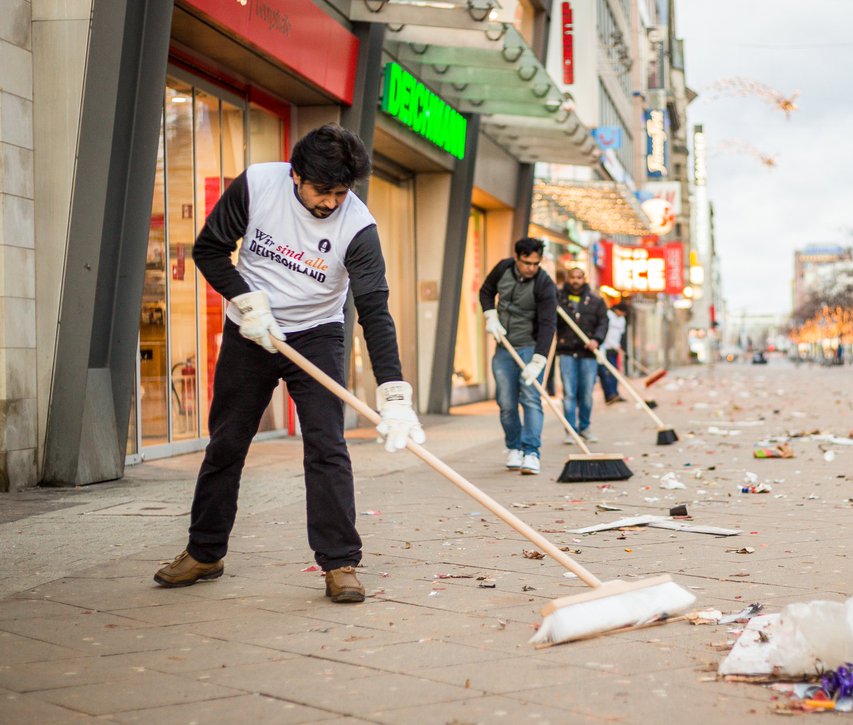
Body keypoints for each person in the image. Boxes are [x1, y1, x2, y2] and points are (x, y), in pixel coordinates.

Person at [154, 124, 423, 604]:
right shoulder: (258, 185)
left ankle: (340, 562)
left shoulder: (358, 227)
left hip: (317, 335)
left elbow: (375, 311)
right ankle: (204, 551)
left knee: (327, 446)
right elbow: (209, 249)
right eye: (324, 191)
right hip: (251, 329)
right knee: (227, 443)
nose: (332, 203)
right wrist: (246, 301)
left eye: (342, 192)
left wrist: (394, 395)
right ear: (296, 175)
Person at [479, 238, 557, 474]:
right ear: (517, 258)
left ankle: (532, 452)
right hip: (504, 347)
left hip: (530, 347)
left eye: (536, 263)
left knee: (531, 399)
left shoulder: (544, 284)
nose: (531, 268)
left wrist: (539, 359)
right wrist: (490, 314)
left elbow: (548, 324)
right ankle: (514, 448)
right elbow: (486, 291)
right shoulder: (503, 268)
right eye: (526, 263)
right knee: (506, 403)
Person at [555, 267, 608, 443]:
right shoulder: (558, 300)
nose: (576, 281)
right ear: (568, 279)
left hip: (588, 353)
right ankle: (570, 430)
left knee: (586, 393)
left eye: (579, 277)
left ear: (584, 279)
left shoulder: (595, 301)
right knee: (569, 393)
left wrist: (597, 340)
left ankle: (584, 427)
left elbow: (603, 322)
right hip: (567, 351)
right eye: (573, 277)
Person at [599, 301, 628, 404]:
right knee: (605, 373)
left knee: (615, 373)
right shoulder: (608, 315)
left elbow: (621, 335)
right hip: (604, 349)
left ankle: (615, 393)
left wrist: (621, 347)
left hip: (614, 349)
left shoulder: (622, 320)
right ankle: (609, 395)